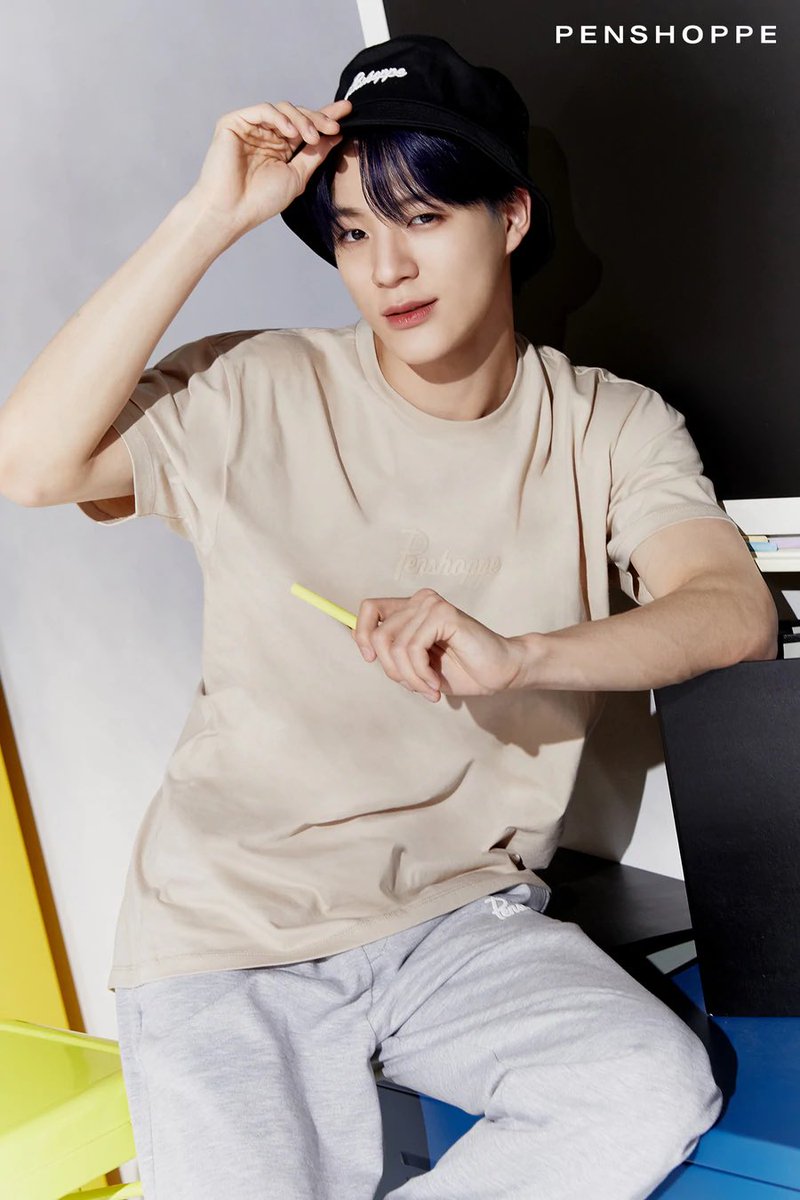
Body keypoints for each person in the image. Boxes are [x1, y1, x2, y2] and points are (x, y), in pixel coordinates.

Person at [0, 31, 777, 1200]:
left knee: (645, 1086)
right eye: (354, 232)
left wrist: (520, 655)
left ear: (509, 216)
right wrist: (206, 218)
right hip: (232, 930)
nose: (386, 267)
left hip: (460, 922)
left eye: (422, 215)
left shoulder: (606, 425)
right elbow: (30, 464)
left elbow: (728, 610)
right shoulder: (257, 385)